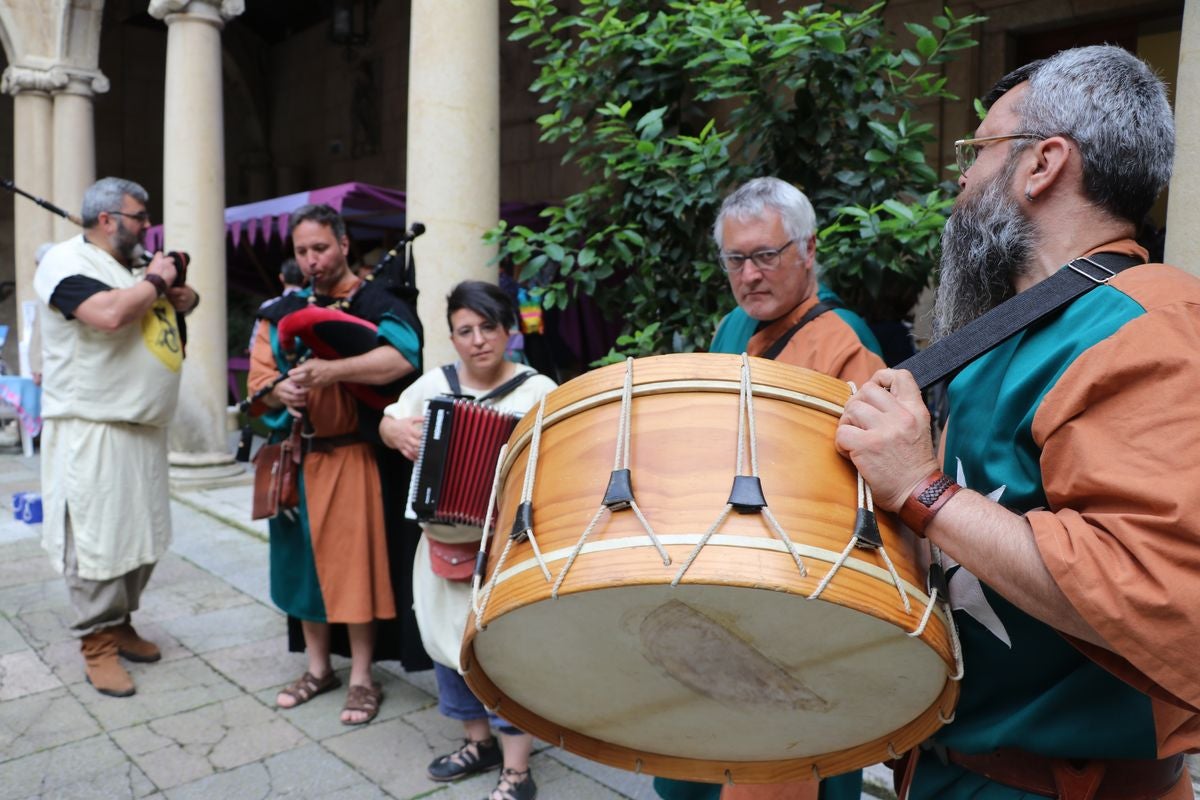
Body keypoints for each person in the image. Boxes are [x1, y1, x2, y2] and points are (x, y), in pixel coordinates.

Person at [836, 45, 1200, 798]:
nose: (962, 180)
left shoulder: (1148, 326)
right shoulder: (1014, 331)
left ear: (1042, 165)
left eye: (977, 153)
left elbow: (1152, 591)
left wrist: (923, 490)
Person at [656, 177, 885, 800]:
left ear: (808, 250)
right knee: (697, 756)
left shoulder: (848, 343)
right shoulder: (734, 325)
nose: (750, 274)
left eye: (766, 255)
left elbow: (871, 489)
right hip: (717, 571)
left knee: (784, 761)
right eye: (736, 259)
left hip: (797, 590)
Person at [247, 203, 426, 725]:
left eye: (320, 248)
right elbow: (258, 388)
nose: (311, 260)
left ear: (343, 245)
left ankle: (364, 677)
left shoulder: (375, 300)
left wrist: (331, 371)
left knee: (357, 569)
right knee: (300, 570)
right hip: (297, 458)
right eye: (302, 251)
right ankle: (318, 668)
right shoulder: (279, 311)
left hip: (353, 455)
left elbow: (403, 357)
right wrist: (281, 390)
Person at [381, 280, 556, 800]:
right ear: (452, 337)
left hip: (506, 549)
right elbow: (390, 420)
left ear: (508, 331)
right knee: (445, 645)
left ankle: (517, 770)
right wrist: (396, 433)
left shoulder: (537, 390)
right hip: (442, 540)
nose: (477, 340)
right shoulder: (434, 383)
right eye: (465, 330)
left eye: (487, 328)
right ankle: (477, 744)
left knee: (506, 655)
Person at [33, 177, 199, 697]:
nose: (147, 225)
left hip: (141, 425)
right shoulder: (65, 263)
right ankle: (96, 643)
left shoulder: (129, 267)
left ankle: (121, 622)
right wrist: (154, 280)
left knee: (142, 538)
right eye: (139, 216)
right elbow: (108, 315)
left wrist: (176, 288)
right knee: (97, 543)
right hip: (92, 427)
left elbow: (180, 305)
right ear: (106, 220)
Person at [246, 257, 306, 354]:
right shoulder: (314, 305)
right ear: (305, 278)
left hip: (274, 363)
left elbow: (254, 345)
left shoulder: (267, 307)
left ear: (281, 278)